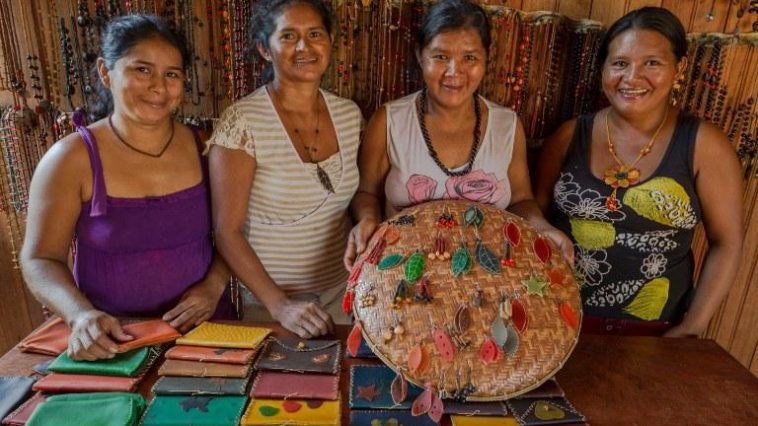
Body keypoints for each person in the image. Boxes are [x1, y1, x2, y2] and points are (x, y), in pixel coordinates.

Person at [20, 15, 236, 361]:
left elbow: (235, 231)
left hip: (207, 331)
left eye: (172, 74)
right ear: (106, 73)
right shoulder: (70, 159)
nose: (158, 86)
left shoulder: (207, 147)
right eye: (142, 70)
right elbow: (39, 259)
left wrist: (213, 287)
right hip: (111, 341)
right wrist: (80, 315)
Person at [535, 7, 743, 337]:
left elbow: (727, 243)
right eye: (619, 63)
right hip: (556, 323)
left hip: (656, 331)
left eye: (652, 63)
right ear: (602, 69)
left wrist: (692, 326)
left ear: (679, 69)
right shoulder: (570, 136)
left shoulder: (703, 145)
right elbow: (532, 217)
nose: (632, 77)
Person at [344, 0, 573, 270]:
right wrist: (368, 218)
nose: (454, 72)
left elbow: (522, 201)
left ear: (486, 60)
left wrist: (543, 229)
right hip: (404, 273)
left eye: (470, 58)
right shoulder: (390, 121)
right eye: (440, 56)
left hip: (488, 273)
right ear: (420, 55)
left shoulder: (506, 126)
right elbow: (367, 192)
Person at [208, 0, 362, 338]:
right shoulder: (242, 123)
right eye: (289, 36)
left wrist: (367, 221)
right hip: (271, 306)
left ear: (330, 42)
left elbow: (357, 198)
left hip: (344, 296)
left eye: (315, 34)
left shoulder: (349, 116)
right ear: (265, 49)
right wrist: (280, 306)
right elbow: (226, 232)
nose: (304, 46)